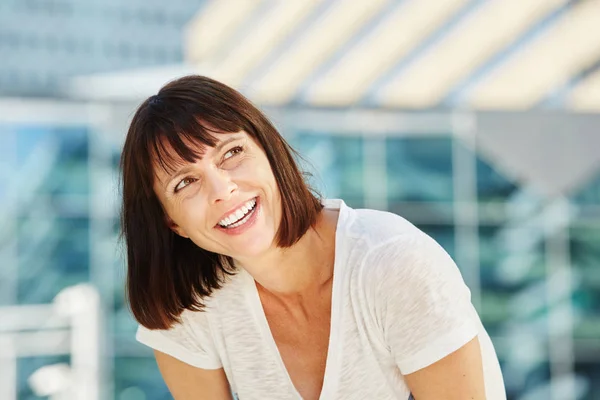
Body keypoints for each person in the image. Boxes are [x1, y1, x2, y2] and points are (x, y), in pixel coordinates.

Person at [121, 75, 506, 400]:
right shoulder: (189, 308)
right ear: (171, 223)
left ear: (270, 153)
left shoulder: (393, 265)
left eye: (232, 153)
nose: (222, 189)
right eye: (186, 182)